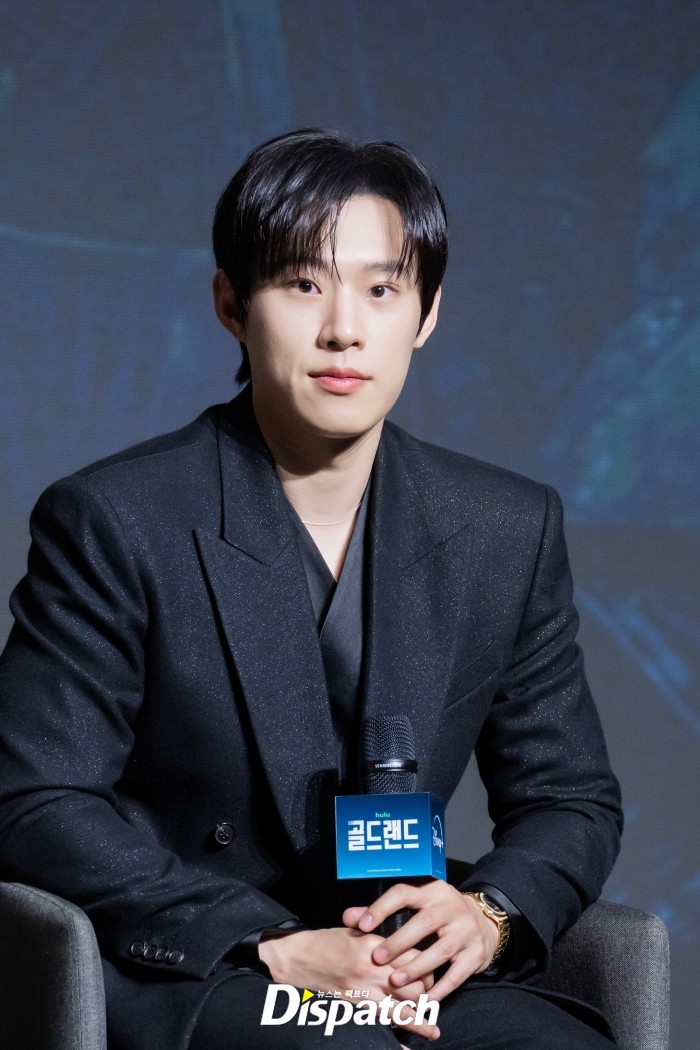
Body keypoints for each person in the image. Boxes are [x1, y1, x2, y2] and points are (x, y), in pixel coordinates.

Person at [0, 129, 623, 1049]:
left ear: (428, 313)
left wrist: (484, 914)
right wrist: (273, 942)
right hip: (209, 964)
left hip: (402, 963)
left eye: (382, 290)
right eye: (302, 284)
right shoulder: (117, 518)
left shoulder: (504, 527)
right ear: (231, 303)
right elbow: (34, 797)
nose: (344, 329)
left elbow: (571, 797)